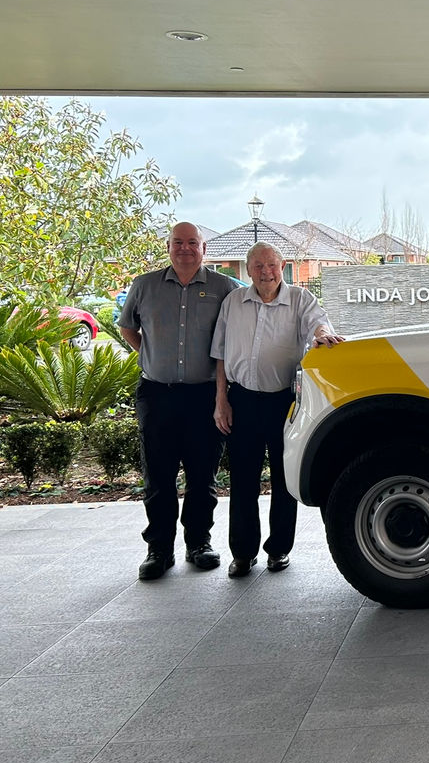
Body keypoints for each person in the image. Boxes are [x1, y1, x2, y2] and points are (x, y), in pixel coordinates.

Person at [212, 242, 343, 577]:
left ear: (281, 266)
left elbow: (319, 323)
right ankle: (242, 553)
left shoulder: (300, 299)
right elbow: (221, 356)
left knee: (285, 480)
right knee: (243, 481)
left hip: (284, 402)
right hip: (241, 401)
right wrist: (221, 400)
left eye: (271, 265)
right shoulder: (233, 302)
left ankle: (279, 550)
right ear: (249, 269)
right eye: (257, 266)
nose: (265, 272)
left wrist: (325, 335)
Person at [120, 222, 237, 580]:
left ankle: (198, 542)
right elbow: (127, 327)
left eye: (192, 243)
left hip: (204, 395)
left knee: (203, 475)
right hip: (157, 394)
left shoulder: (225, 288)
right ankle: (159, 549)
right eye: (178, 242)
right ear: (168, 247)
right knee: (158, 475)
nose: (185, 248)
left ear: (204, 248)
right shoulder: (144, 285)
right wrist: (149, 356)